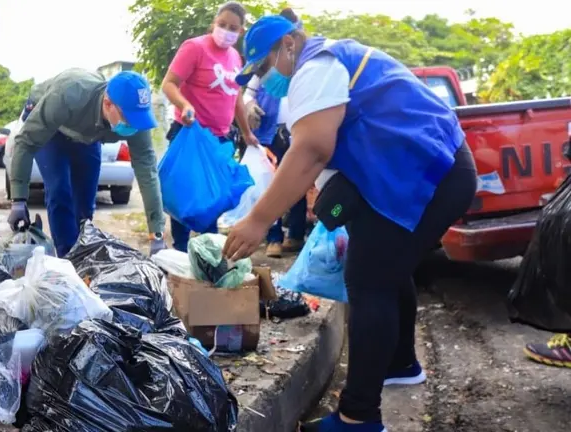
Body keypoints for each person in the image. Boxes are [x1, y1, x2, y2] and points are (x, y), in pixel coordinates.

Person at [224, 16, 478, 432]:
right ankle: (399, 363)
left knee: (368, 280)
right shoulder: (330, 59)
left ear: (288, 44)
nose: (264, 78)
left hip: (429, 175)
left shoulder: (316, 67)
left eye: (264, 66)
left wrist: (257, 220)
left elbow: (312, 149)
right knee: (388, 268)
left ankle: (358, 418)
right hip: (430, 171)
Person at [7, 69, 166, 257]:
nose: (133, 126)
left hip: (88, 133)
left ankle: (83, 255)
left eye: (137, 120)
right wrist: (18, 199)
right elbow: (26, 143)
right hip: (52, 126)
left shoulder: (136, 119)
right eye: (128, 119)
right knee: (59, 190)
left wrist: (156, 234)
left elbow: (147, 171)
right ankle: (68, 259)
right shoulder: (67, 95)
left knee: (85, 202)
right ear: (108, 104)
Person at [160, 1, 259, 252]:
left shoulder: (235, 57)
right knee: (185, 196)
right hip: (191, 134)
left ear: (241, 31)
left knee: (214, 198)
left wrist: (246, 132)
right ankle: (181, 252)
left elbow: (236, 98)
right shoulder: (195, 47)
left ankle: (208, 252)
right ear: (214, 23)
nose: (226, 31)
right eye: (222, 24)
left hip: (219, 140)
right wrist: (184, 105)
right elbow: (169, 84)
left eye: (233, 28)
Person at [243, 7, 307, 258]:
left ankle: (296, 235)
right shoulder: (267, 65)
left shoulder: (305, 68)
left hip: (298, 133)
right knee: (271, 185)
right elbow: (248, 92)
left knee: (298, 183)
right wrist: (250, 106)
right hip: (271, 133)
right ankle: (273, 237)